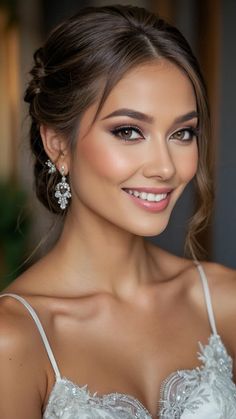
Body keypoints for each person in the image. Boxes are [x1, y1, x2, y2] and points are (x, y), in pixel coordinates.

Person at [0, 5, 235, 418]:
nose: (165, 166)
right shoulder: (15, 339)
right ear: (57, 143)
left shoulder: (222, 302)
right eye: (129, 131)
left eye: (183, 133)